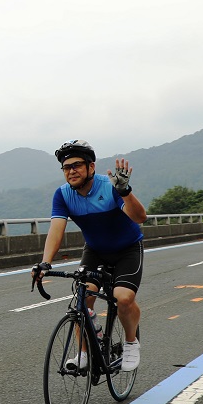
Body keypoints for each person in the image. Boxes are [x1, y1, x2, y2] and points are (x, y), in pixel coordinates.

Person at [30, 140, 147, 373]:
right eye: (66, 167)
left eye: (77, 165)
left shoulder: (110, 186)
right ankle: (83, 352)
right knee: (82, 299)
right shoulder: (62, 195)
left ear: (91, 167)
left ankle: (131, 343)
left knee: (122, 297)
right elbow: (56, 229)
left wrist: (125, 192)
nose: (71, 171)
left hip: (127, 249)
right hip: (95, 250)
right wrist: (45, 262)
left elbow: (140, 217)